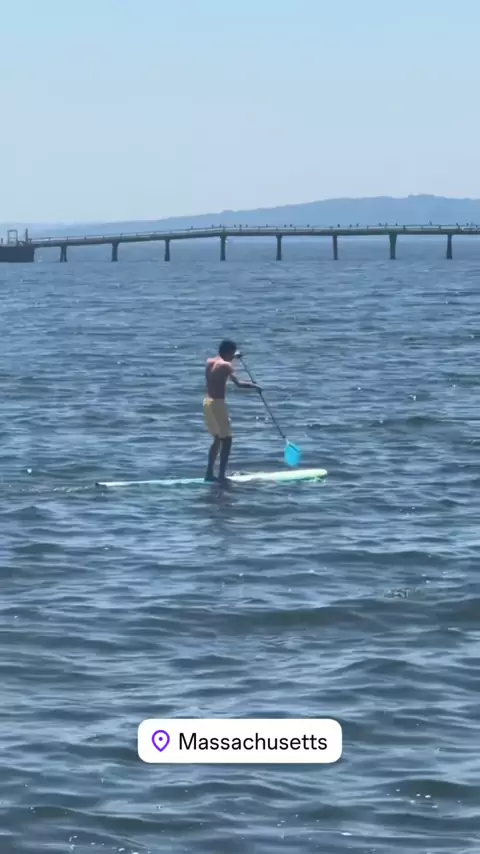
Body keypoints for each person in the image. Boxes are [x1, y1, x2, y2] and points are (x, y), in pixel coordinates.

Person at [203, 339, 260, 482]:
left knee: (217, 438)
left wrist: (234, 356)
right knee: (227, 440)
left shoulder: (210, 362)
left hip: (207, 402)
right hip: (217, 404)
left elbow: (222, 363)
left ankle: (209, 473)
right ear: (229, 352)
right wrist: (255, 386)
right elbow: (238, 383)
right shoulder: (226, 365)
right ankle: (222, 476)